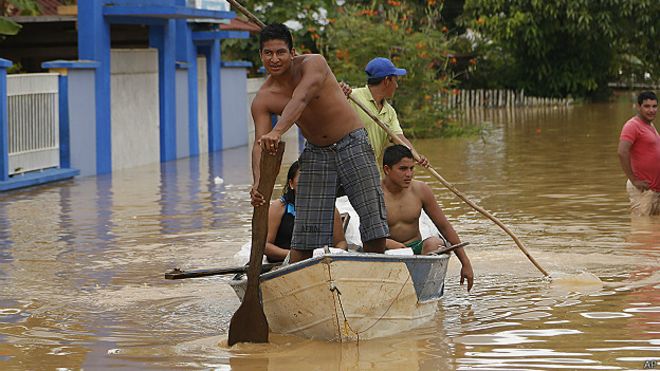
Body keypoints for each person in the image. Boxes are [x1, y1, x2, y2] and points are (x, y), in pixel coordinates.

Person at [250, 23, 389, 263]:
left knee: (373, 221)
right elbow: (259, 145)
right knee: (305, 234)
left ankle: (374, 270)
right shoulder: (263, 99)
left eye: (280, 52)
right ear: (261, 56)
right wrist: (258, 184)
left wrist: (278, 130)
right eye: (268, 53)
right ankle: (297, 284)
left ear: (292, 53)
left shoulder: (314, 64)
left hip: (352, 142)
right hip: (316, 153)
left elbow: (301, 97)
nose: (274, 59)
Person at [381, 144, 474, 291]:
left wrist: (466, 263)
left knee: (435, 244)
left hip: (416, 249)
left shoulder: (420, 190)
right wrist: (389, 243)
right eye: (403, 169)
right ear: (387, 169)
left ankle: (424, 289)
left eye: (412, 169)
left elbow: (444, 226)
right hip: (385, 251)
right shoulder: (375, 193)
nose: (409, 174)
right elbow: (367, 233)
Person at [339, 57, 428, 168]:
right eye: (395, 80)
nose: (397, 86)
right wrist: (338, 93)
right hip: (347, 165)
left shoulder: (389, 112)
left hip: (371, 168)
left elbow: (400, 139)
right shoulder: (352, 97)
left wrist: (417, 156)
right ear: (387, 80)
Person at [266, 161, 347, 263]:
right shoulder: (279, 207)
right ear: (291, 184)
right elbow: (266, 245)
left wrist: (333, 254)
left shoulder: (329, 208)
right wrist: (294, 256)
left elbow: (341, 242)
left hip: (319, 262)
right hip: (282, 263)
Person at [617, 91, 659, 216]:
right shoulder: (632, 126)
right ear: (638, 107)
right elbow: (622, 152)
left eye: (654, 106)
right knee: (641, 230)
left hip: (654, 191)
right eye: (647, 106)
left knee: (652, 230)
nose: (651, 110)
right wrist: (634, 180)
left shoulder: (650, 125)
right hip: (642, 190)